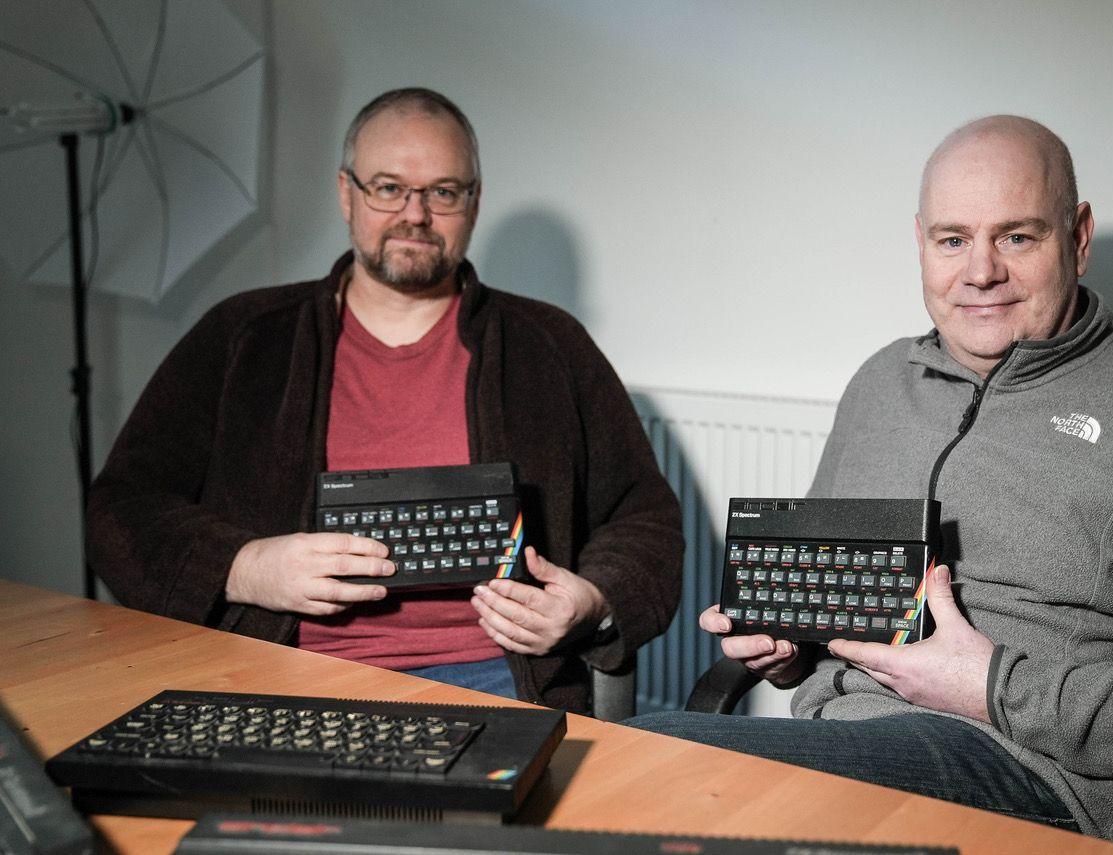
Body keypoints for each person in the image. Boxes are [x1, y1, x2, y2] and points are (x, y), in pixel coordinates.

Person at [627, 115, 1113, 850]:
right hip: (842, 740)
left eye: (1018, 236)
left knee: (652, 771)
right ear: (921, 243)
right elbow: (827, 616)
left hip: (1028, 775)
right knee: (624, 766)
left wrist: (1001, 685)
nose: (980, 272)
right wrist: (787, 646)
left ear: (1080, 236)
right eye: (953, 239)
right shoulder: (879, 383)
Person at [87, 88, 683, 714]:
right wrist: (243, 565)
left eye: (443, 192)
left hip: (494, 677)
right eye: (388, 187)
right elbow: (120, 508)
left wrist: (592, 601)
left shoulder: (549, 345)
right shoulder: (245, 337)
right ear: (347, 193)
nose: (415, 214)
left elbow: (644, 518)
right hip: (275, 670)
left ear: (473, 203)